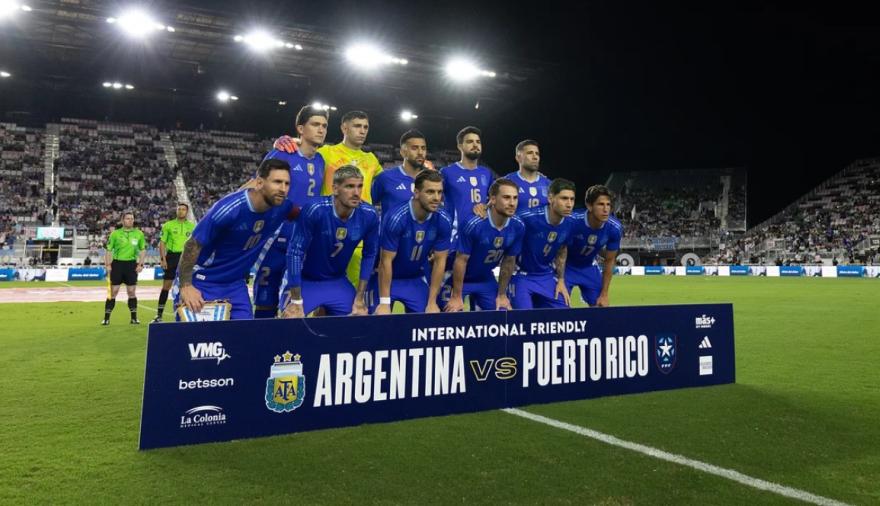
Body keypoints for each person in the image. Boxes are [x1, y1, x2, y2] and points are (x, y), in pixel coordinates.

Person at [274, 111, 383, 288]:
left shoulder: (372, 160)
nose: (362, 131)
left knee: (356, 291)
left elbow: (391, 182)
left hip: (358, 233)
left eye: (366, 127)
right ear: (344, 128)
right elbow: (304, 150)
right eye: (357, 126)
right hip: (327, 231)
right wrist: (287, 140)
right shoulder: (326, 153)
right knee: (321, 283)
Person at [175, 159, 294, 320]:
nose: (283, 189)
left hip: (236, 285)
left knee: (245, 335)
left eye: (287, 183)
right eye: (277, 182)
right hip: (204, 281)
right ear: (259, 183)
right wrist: (186, 286)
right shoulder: (229, 210)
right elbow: (192, 245)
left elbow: (309, 216)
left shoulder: (283, 207)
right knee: (197, 337)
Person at [250, 105, 328, 318]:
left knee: (295, 305)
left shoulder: (321, 160)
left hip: (304, 240)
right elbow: (257, 186)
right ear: (300, 129)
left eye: (324, 125)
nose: (321, 129)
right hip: (275, 236)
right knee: (265, 300)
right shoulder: (282, 154)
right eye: (315, 124)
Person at [280, 165, 379, 318]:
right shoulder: (315, 209)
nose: (356, 193)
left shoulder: (369, 215)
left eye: (360, 186)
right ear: (335, 189)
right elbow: (294, 253)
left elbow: (370, 254)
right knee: (290, 320)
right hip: (305, 280)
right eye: (349, 186)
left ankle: (324, 313)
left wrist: (359, 297)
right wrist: (296, 300)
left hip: (337, 280)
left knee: (359, 319)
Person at [371, 170, 451, 315]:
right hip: (385, 277)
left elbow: (440, 261)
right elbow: (385, 261)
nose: (436, 198)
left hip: (414, 278)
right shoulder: (397, 218)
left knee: (429, 319)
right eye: (430, 192)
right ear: (416, 192)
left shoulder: (443, 219)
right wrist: (384, 303)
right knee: (378, 319)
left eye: (439, 192)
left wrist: (432, 302)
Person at [441, 178, 525, 312]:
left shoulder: (518, 226)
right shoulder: (474, 224)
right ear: (493, 199)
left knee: (502, 314)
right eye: (506, 197)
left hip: (485, 278)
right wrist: (456, 296)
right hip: (456, 277)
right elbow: (461, 261)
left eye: (515, 198)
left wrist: (502, 295)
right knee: (450, 313)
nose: (512, 203)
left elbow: (509, 261)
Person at [509, 178, 576, 309]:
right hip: (521, 276)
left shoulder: (571, 222)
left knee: (565, 314)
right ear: (550, 198)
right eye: (564, 198)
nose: (569, 204)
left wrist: (561, 280)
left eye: (572, 199)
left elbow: (562, 250)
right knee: (524, 318)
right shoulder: (527, 218)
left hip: (546, 276)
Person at [565, 185, 623, 307]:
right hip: (566, 267)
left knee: (601, 306)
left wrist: (604, 294)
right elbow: (558, 249)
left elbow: (610, 260)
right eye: (601, 204)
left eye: (608, 205)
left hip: (588, 266)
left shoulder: (614, 228)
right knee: (559, 307)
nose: (606, 209)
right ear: (589, 206)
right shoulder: (571, 221)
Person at [440, 126, 494, 236]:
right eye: (470, 142)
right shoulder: (447, 172)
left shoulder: (486, 173)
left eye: (478, 142)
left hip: (481, 233)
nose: (475, 145)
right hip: (456, 235)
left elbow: (495, 198)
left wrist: (486, 206)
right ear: (460, 146)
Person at [371, 129, 433, 216]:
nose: (420, 152)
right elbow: (368, 206)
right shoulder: (385, 178)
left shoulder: (432, 181)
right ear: (403, 152)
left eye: (423, 148)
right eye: (414, 148)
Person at [102, 212, 146, 325]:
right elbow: (108, 250)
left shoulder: (139, 234)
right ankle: (106, 318)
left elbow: (143, 250)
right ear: (122, 220)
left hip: (131, 265)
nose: (130, 220)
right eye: (127, 218)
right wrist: (108, 264)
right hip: (117, 264)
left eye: (132, 218)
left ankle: (134, 318)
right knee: (113, 292)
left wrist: (140, 264)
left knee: (131, 292)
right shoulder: (115, 234)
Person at [153, 203, 195, 322]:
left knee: (187, 286)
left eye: (183, 209)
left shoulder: (192, 226)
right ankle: (159, 315)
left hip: (186, 258)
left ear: (187, 212)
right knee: (166, 286)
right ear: (176, 211)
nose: (181, 211)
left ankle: (188, 314)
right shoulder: (168, 225)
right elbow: (162, 243)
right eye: (179, 209)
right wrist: (163, 259)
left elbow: (195, 244)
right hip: (172, 257)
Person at [503, 140, 551, 214]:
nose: (535, 157)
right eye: (530, 153)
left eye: (537, 154)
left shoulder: (549, 184)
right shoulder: (506, 182)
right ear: (518, 158)